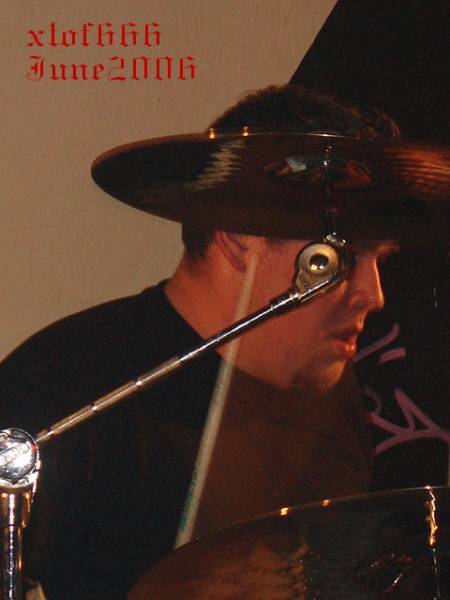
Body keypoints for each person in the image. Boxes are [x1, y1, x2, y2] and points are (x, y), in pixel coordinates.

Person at [0, 85, 399, 599]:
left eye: (379, 262)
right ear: (238, 237)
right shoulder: (68, 383)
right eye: (342, 261)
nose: (374, 295)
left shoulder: (335, 404)